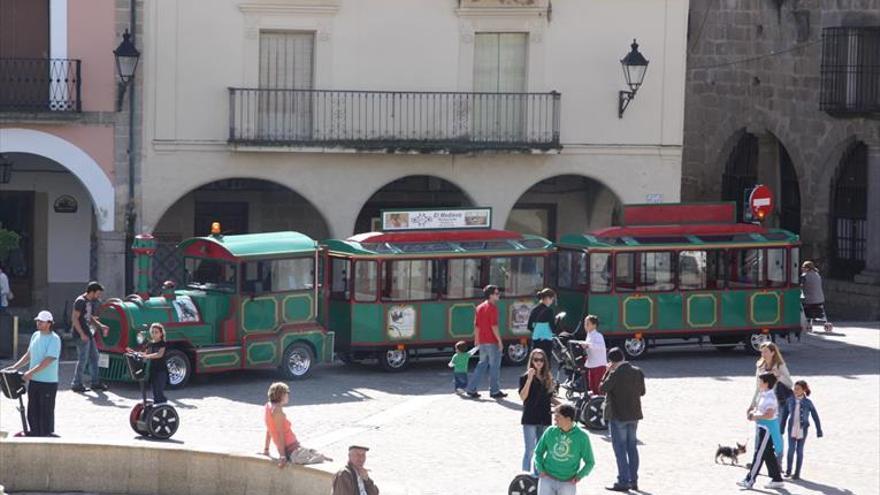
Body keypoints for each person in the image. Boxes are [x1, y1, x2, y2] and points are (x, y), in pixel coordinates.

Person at [2, 311, 61, 437]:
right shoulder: (35, 335)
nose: (38, 323)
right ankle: (33, 433)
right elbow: (29, 355)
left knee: (45, 411)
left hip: (48, 382)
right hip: (34, 381)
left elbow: (48, 360)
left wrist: (30, 372)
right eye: (37, 321)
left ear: (49, 323)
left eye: (41, 321)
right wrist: (13, 367)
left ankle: (46, 434)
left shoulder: (54, 339)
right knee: (32, 410)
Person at [600, 347, 646, 492]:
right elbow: (642, 392)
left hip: (618, 415)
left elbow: (602, 388)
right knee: (632, 448)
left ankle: (623, 481)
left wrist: (607, 371)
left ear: (611, 361)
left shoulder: (615, 373)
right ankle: (634, 480)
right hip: (634, 415)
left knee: (620, 450)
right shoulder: (637, 371)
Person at [262, 382, 331, 467]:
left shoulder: (268, 407)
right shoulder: (277, 410)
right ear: (282, 395)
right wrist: (282, 456)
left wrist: (266, 449)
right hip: (292, 450)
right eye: (287, 394)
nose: (288, 396)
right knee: (300, 460)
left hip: (292, 448)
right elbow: (280, 434)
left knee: (303, 457)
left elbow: (269, 430)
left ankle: (317, 455)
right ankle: (319, 456)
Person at [533, 403, 595, 495]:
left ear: (568, 419)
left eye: (558, 416)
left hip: (568, 483)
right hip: (547, 479)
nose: (554, 419)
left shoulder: (582, 437)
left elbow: (590, 462)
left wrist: (579, 476)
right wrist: (540, 469)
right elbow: (538, 452)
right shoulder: (550, 431)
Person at [738, 373, 785, 489]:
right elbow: (761, 409)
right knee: (768, 454)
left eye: (760, 381)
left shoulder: (770, 397)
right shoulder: (763, 394)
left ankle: (750, 480)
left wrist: (755, 417)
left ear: (766, 383)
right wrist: (753, 412)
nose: (758, 383)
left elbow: (769, 415)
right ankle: (777, 479)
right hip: (763, 428)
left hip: (767, 429)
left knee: (758, 454)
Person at [749, 342, 793, 453]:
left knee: (776, 432)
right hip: (762, 401)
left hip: (777, 402)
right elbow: (758, 387)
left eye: (766, 351)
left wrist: (779, 376)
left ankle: (778, 459)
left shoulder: (780, 365)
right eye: (762, 352)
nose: (763, 354)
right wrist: (752, 404)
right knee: (759, 429)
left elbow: (789, 383)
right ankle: (756, 457)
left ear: (773, 352)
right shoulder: (760, 366)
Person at [519, 348, 558, 475]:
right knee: (530, 449)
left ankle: (538, 474)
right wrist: (530, 379)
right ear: (531, 361)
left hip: (545, 417)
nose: (539, 362)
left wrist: (561, 405)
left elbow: (549, 397)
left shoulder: (548, 377)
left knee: (541, 450)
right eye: (536, 360)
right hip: (530, 417)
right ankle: (525, 476)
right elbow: (523, 397)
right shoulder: (525, 377)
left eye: (541, 360)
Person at [466, 285, 507, 399]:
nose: (499, 295)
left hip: (483, 341)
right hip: (492, 341)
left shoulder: (479, 307)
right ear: (491, 295)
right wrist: (499, 341)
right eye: (497, 293)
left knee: (482, 365)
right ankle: (494, 391)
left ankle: (471, 388)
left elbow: (476, 325)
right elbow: (494, 326)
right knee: (494, 367)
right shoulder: (492, 308)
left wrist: (477, 339)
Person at [70, 281, 109, 392]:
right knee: (83, 359)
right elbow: (74, 318)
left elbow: (89, 317)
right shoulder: (80, 301)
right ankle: (76, 383)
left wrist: (101, 326)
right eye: (98, 293)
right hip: (81, 334)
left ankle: (95, 382)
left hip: (88, 333)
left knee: (94, 357)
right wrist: (82, 334)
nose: (99, 296)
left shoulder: (89, 302)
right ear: (92, 292)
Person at [780, 380, 823, 480]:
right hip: (792, 428)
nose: (795, 390)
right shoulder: (789, 400)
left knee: (799, 450)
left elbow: (815, 416)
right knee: (790, 449)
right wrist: (781, 428)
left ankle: (797, 473)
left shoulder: (808, 402)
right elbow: (785, 415)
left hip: (803, 429)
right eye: (795, 388)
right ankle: (788, 470)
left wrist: (819, 430)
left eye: (798, 389)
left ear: (804, 390)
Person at [127, 323, 168, 404]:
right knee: (154, 391)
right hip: (153, 370)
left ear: (161, 333)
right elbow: (145, 354)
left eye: (156, 332)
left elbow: (159, 354)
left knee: (159, 391)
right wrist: (134, 352)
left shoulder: (163, 343)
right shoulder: (150, 343)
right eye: (152, 332)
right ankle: (158, 408)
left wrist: (147, 356)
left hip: (161, 371)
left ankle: (163, 406)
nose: (154, 334)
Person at [801, 261, 833, 332]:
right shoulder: (817, 275)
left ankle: (806, 322)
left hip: (809, 300)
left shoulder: (804, 276)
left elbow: (800, 287)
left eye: (803, 267)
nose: (802, 269)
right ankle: (825, 322)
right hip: (820, 300)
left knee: (800, 304)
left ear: (807, 268)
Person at [580, 315, 607, 396]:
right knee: (592, 386)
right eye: (585, 324)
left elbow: (600, 347)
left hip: (599, 365)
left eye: (587, 324)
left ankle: (600, 403)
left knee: (598, 387)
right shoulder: (589, 335)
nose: (585, 326)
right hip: (591, 364)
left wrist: (588, 345)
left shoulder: (598, 335)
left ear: (594, 325)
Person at [527, 288, 557, 360]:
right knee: (546, 362)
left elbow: (529, 326)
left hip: (536, 340)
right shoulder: (549, 311)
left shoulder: (534, 309)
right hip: (546, 340)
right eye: (552, 299)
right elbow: (552, 327)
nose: (552, 302)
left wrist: (537, 331)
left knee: (536, 361)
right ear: (547, 298)